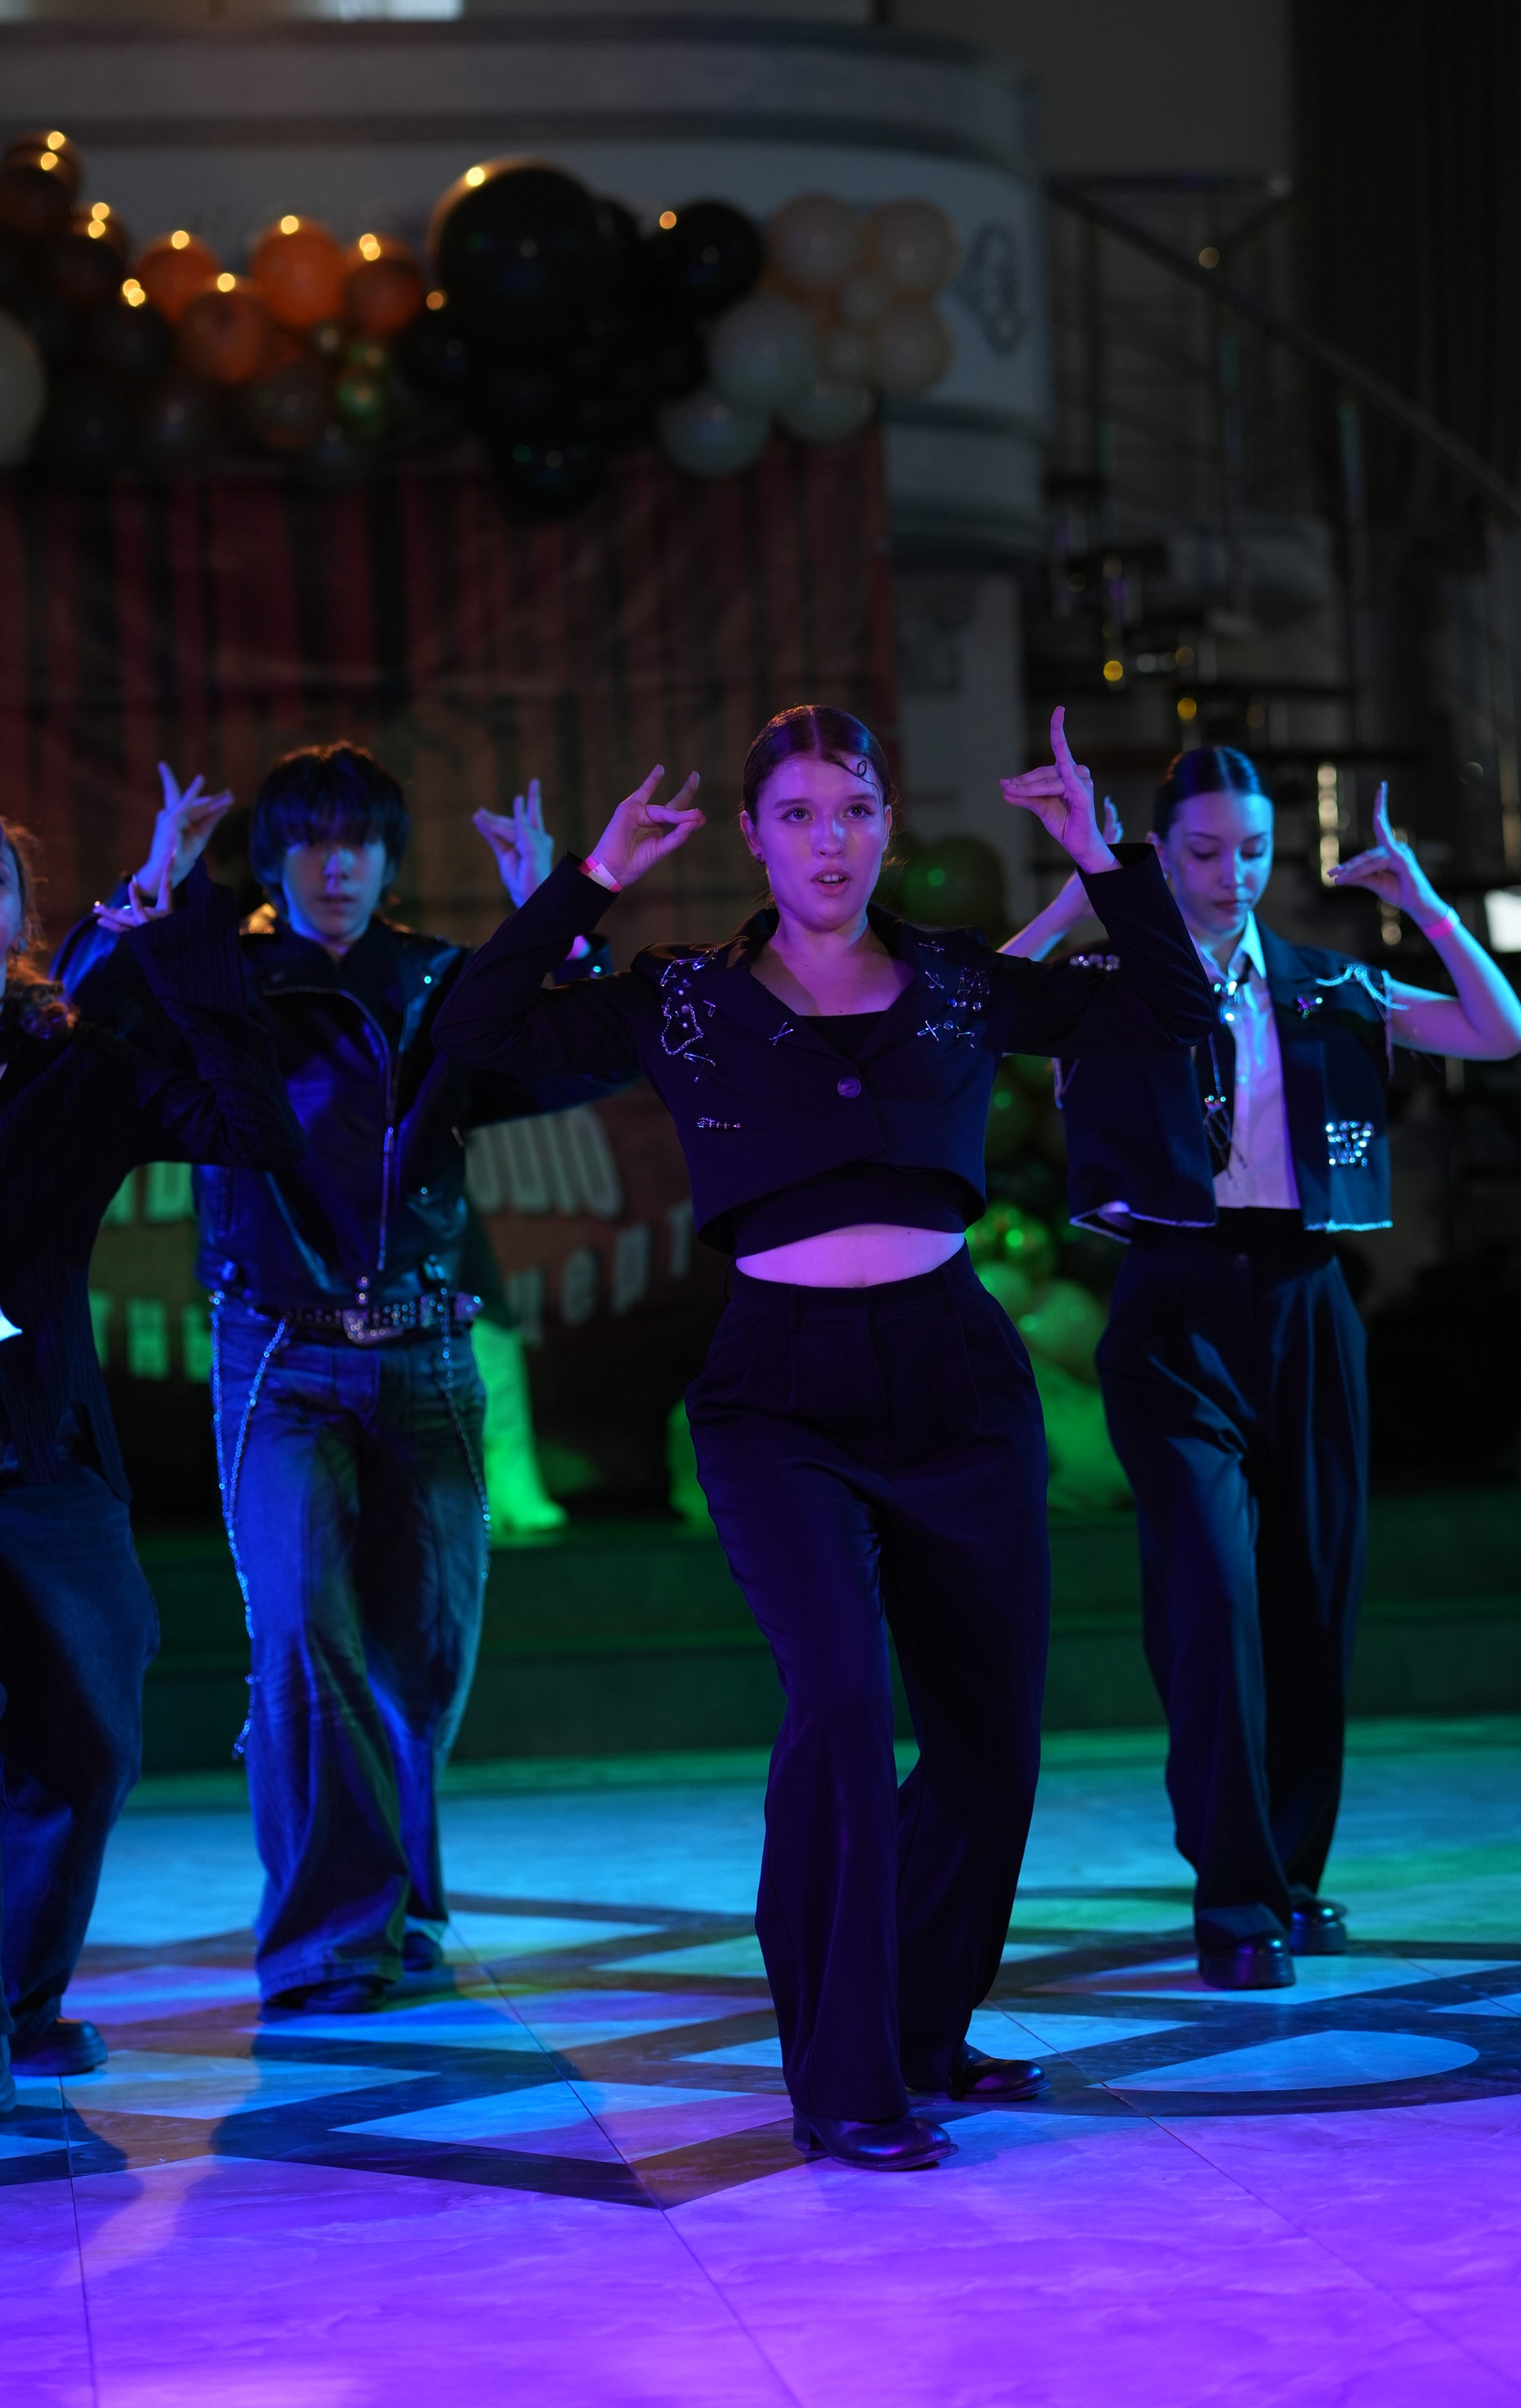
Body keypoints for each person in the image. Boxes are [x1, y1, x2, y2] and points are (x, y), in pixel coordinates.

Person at [431, 704, 1217, 2169]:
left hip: (955, 1380)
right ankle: (846, 2077)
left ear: (886, 827)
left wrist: (1104, 860)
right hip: (778, 1395)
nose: (829, 840)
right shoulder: (683, 997)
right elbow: (474, 1035)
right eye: (796, 813)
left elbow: (1174, 1010)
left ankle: (922, 2028)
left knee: (988, 1744)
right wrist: (589, 882)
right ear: (754, 837)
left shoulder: (958, 984)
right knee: (846, 1708)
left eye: (852, 809)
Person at [58, 745, 625, 2014]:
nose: (336, 865)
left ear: (388, 858)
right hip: (281, 1356)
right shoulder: (220, 975)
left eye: (358, 840)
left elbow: (587, 1055)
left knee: (423, 1658)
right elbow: (80, 1029)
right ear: (272, 858)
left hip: (427, 1352)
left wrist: (556, 921)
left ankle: (398, 1898)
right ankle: (328, 1940)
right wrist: (147, 894)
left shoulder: (436, 980)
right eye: (310, 839)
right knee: (304, 1637)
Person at [1005, 748, 1521, 1989]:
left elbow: (1498, 1031)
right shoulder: (1111, 982)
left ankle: (1290, 1875)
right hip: (1173, 1304)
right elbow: (973, 1014)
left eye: (1252, 850)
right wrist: (1083, 892)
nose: (1231, 873)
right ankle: (1234, 1895)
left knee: (1310, 1594)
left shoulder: (1322, 980)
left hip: (1304, 1300)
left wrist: (1427, 907)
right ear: (1160, 853)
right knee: (1212, 1598)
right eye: (1202, 851)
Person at [0, 801, 303, 2123]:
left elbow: (255, 1130)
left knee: (93, 1737)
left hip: (47, 1457)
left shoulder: (77, 1073)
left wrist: (175, 952)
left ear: (22, 923)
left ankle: (25, 2003)